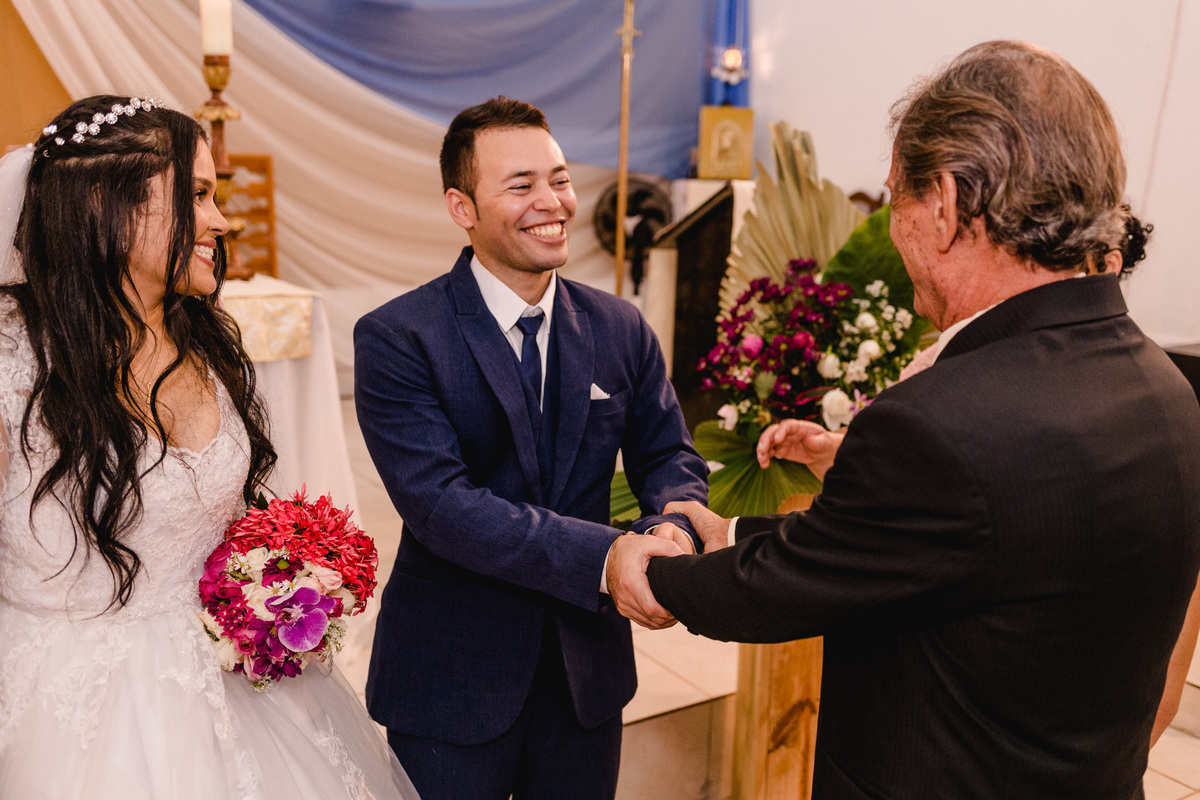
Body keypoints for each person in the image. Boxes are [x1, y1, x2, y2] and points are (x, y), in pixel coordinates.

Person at [608, 41, 1200, 798]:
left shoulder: (942, 420)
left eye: (896, 198)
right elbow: (941, 545)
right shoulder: (1164, 387)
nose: (892, 225)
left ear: (946, 205)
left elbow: (784, 590)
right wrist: (731, 532)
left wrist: (653, 572)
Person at [0, 95, 418, 799]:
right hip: (69, 708)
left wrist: (274, 577)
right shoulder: (13, 362)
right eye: (196, 195)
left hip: (234, 689)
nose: (221, 221)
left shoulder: (204, 337)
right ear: (106, 205)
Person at [354, 96, 708, 800]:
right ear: (462, 207)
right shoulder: (399, 337)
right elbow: (442, 506)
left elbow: (670, 456)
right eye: (521, 185)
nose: (552, 202)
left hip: (587, 679)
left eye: (560, 178)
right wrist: (607, 557)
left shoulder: (620, 327)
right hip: (453, 677)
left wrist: (673, 525)